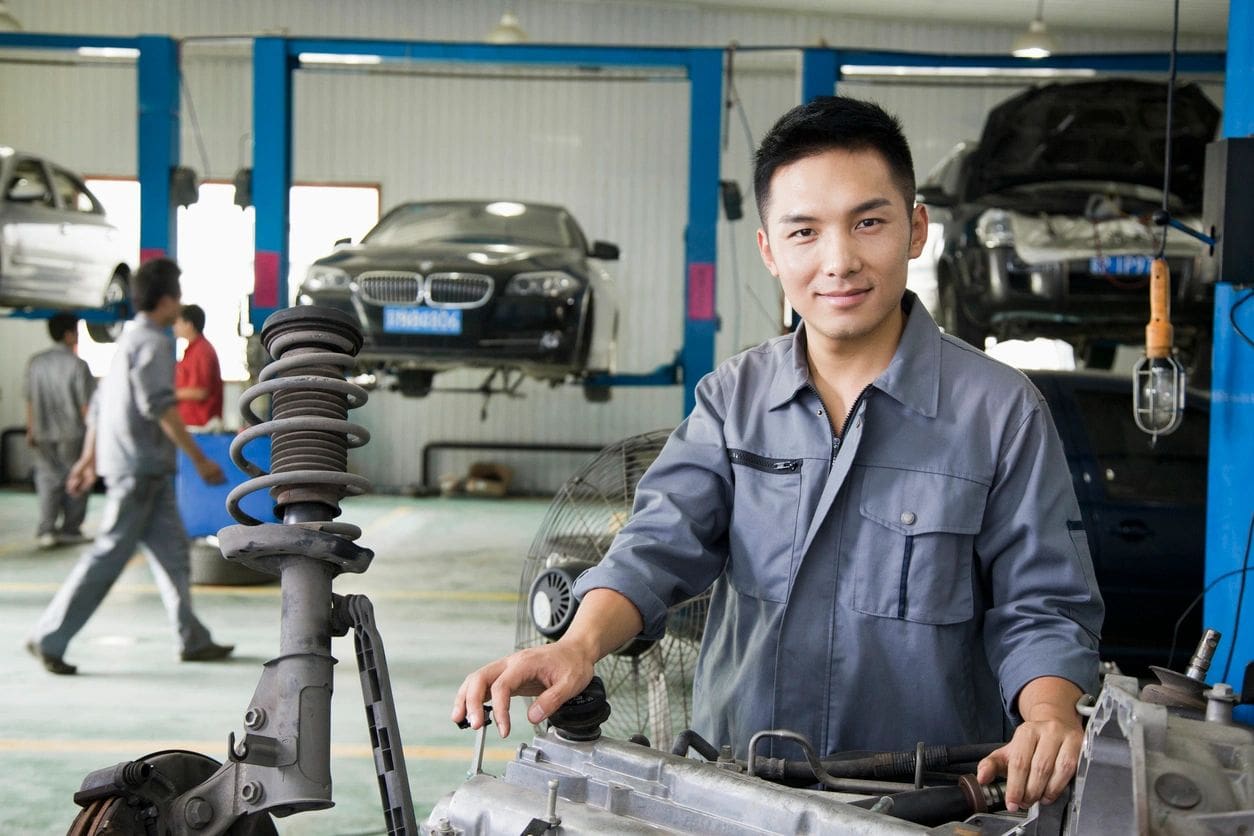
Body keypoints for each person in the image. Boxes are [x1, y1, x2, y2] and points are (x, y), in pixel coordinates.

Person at [453, 96, 1104, 814]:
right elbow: (655, 547)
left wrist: (1048, 714)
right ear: (768, 250)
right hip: (736, 794)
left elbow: (1041, 605)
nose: (840, 262)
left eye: (869, 222)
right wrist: (576, 646)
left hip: (927, 804)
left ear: (916, 230)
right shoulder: (732, 399)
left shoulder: (1000, 411)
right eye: (804, 232)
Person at [25, 258, 235, 676]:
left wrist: (88, 459)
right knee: (108, 555)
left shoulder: (128, 339)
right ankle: (49, 636)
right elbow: (158, 406)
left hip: (144, 469)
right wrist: (199, 459)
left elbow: (100, 408)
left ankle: (191, 637)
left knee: (175, 555)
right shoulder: (155, 343)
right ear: (168, 299)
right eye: (178, 293)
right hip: (141, 468)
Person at [24, 313, 94, 549]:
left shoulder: (35, 362)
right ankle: (71, 529)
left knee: (46, 481)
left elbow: (30, 399)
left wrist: (31, 428)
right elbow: (86, 406)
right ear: (68, 334)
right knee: (76, 479)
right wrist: (94, 438)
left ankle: (46, 529)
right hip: (71, 433)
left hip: (42, 433)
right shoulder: (78, 365)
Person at [173, 303, 224, 431]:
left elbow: (200, 392)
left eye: (177, 322)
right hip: (192, 424)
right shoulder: (192, 351)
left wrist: (169, 394)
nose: (174, 326)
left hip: (201, 426)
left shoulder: (201, 352)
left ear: (189, 325)